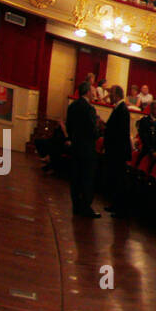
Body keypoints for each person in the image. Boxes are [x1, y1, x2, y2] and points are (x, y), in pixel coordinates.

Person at [66, 82, 101, 218]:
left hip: (75, 146)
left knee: (75, 177)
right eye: (93, 91)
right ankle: (85, 206)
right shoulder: (89, 109)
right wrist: (98, 131)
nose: (94, 94)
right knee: (87, 178)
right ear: (87, 92)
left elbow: (69, 126)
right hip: (87, 148)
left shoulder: (73, 106)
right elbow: (93, 131)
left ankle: (76, 205)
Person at [102, 85, 131, 216]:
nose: (110, 96)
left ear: (117, 94)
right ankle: (115, 205)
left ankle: (120, 208)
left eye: (112, 94)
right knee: (115, 179)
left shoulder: (122, 109)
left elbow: (120, 132)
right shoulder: (119, 108)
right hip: (116, 150)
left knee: (119, 180)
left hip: (118, 151)